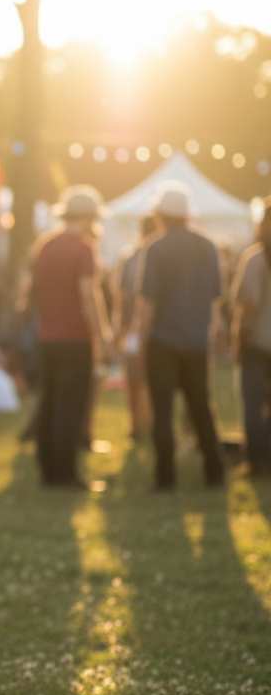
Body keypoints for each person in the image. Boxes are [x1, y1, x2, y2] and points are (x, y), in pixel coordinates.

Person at [137, 181, 224, 491]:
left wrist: (139, 340)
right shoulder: (208, 245)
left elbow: (149, 301)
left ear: (160, 215)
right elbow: (216, 298)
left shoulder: (155, 248)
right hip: (197, 341)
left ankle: (165, 478)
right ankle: (215, 472)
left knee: (162, 411)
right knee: (201, 406)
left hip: (162, 341)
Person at [31, 186, 113, 489]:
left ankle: (48, 469)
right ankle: (65, 474)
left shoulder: (45, 246)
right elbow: (88, 296)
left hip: (46, 337)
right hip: (74, 338)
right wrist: (101, 335)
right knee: (71, 406)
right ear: (90, 217)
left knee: (49, 401)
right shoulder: (83, 248)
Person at [230, 202, 271, 475]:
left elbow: (250, 302)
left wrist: (237, 335)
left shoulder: (256, 258)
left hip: (258, 340)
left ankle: (257, 460)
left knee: (253, 403)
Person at [115, 215, 156, 442]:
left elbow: (122, 298)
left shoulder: (132, 258)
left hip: (142, 328)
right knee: (135, 376)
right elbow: (123, 296)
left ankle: (143, 423)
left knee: (140, 377)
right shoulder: (130, 258)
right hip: (136, 327)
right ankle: (137, 424)